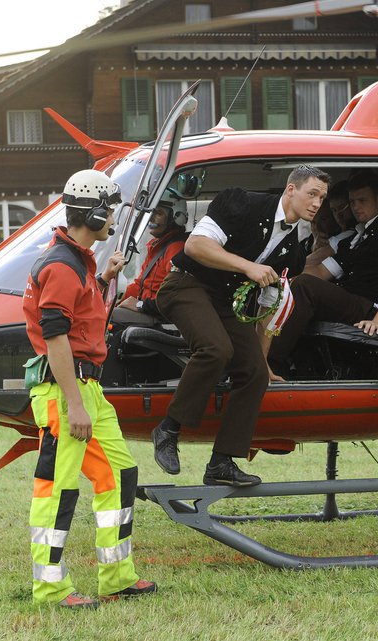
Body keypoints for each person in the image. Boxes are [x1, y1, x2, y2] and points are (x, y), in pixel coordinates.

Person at [22, 168, 156, 609]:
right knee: (56, 488)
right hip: (67, 392)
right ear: (95, 212)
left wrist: (103, 280)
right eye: (111, 210)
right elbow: (56, 337)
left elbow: (78, 319)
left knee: (119, 475)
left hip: (86, 390)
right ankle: (51, 589)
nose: (115, 218)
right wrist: (75, 404)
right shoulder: (61, 265)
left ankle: (116, 577)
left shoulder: (77, 262)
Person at [153, 165, 330, 487]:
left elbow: (266, 308)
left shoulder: (294, 250)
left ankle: (221, 462)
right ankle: (169, 429)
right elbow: (195, 246)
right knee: (216, 349)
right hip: (184, 285)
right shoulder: (241, 202)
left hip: (224, 302)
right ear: (291, 189)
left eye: (322, 197)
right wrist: (249, 267)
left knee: (255, 373)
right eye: (312, 194)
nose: (317, 203)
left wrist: (261, 359)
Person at [267, 170, 378, 379]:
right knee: (295, 284)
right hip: (350, 301)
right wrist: (279, 276)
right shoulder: (358, 236)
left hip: (368, 308)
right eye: (353, 202)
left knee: (304, 286)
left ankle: (270, 362)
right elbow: (320, 271)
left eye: (362, 200)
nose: (355, 207)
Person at [112, 189, 189, 326]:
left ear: (176, 217)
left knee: (107, 317)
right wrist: (111, 298)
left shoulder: (176, 249)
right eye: (150, 212)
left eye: (158, 213)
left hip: (160, 317)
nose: (151, 218)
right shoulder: (157, 246)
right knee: (105, 309)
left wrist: (140, 304)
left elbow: (174, 297)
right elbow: (140, 285)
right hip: (148, 310)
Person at [305, 180, 354, 268]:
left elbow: (311, 262)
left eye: (342, 208)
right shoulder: (307, 243)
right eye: (334, 210)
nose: (339, 215)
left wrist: (318, 251)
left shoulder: (351, 235)